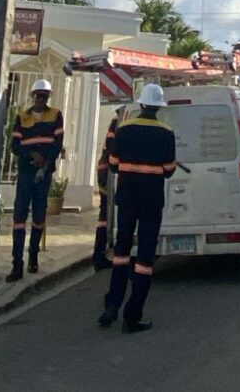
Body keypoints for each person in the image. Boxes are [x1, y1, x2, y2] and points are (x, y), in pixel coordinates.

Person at [98, 83, 176, 334]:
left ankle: (112, 306)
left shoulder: (125, 129)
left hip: (127, 199)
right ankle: (132, 316)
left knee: (121, 253)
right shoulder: (166, 132)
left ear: (141, 104)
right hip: (151, 201)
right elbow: (169, 170)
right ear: (158, 107)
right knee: (144, 259)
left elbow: (113, 164)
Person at [6, 79, 64, 283]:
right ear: (33, 96)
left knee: (39, 215)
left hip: (44, 173)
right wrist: (32, 155)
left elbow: (57, 143)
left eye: (45, 96)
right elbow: (15, 145)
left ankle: (33, 256)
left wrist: (45, 162)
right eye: (38, 95)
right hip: (26, 172)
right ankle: (17, 263)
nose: (41, 99)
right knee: (20, 216)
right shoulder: (22, 117)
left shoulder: (55, 115)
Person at [92, 108, 123, 272]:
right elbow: (112, 148)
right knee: (106, 213)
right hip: (109, 172)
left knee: (105, 214)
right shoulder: (119, 123)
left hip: (108, 170)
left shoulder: (118, 122)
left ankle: (99, 254)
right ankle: (99, 254)